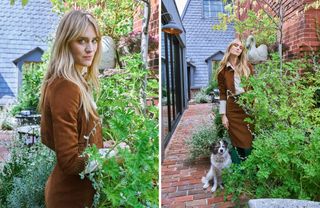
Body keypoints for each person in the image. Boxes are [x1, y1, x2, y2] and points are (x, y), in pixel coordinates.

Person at [39, 10, 103, 207]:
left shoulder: (75, 82)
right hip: (70, 197)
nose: (90, 48)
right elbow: (69, 162)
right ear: (66, 43)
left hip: (77, 192)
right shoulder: (66, 86)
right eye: (82, 41)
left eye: (94, 40)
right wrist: (112, 156)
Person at [216, 39, 254, 164]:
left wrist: (255, 104)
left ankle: (250, 166)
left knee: (248, 138)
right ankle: (239, 168)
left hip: (247, 105)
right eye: (236, 45)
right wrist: (223, 116)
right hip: (232, 107)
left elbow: (255, 87)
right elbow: (222, 94)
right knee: (236, 139)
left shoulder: (247, 66)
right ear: (229, 48)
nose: (238, 48)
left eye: (241, 47)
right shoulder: (222, 71)